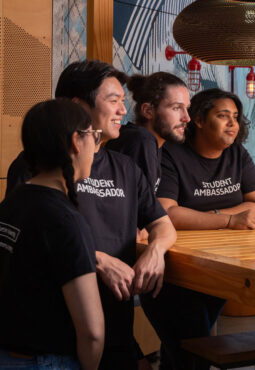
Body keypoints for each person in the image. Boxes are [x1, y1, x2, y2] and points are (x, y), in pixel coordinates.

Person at [5, 60, 177, 369]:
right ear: (77, 108)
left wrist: (156, 250)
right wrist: (95, 259)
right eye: (113, 101)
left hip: (115, 327)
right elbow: (28, 239)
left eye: (123, 101)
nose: (123, 111)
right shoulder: (36, 168)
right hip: (61, 339)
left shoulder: (126, 168)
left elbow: (163, 224)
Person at [144, 88, 255, 370]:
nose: (232, 124)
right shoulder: (171, 154)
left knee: (187, 350)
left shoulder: (237, 153)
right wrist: (230, 220)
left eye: (235, 117)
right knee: (190, 350)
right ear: (198, 119)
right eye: (223, 116)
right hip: (178, 267)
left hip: (221, 264)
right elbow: (168, 213)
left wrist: (201, 216)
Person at [0, 99, 104, 370]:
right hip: (46, 362)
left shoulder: (12, 202)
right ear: (75, 142)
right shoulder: (64, 220)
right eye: (95, 136)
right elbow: (93, 332)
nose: (96, 146)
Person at [106, 72, 190, 191]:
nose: (187, 118)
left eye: (186, 108)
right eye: (176, 108)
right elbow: (143, 207)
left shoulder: (154, 143)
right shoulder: (141, 140)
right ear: (148, 111)